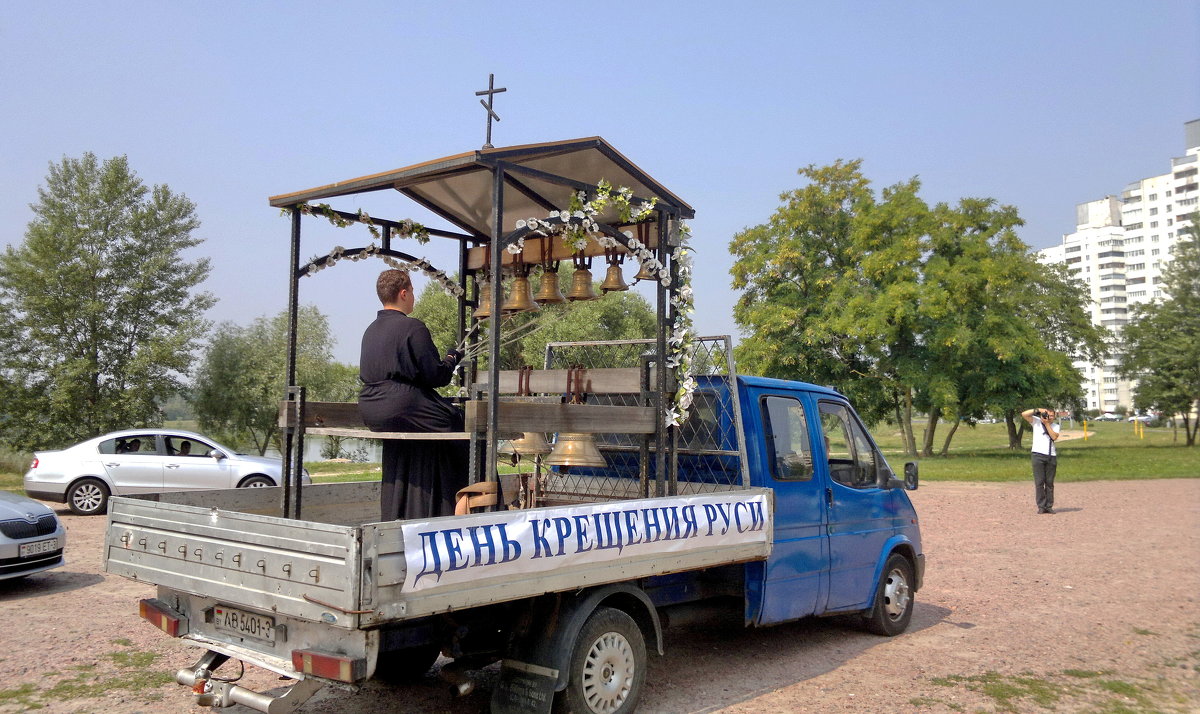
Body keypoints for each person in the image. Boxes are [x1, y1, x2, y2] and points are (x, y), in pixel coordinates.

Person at [358, 269, 467, 520]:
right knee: (457, 421)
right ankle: (459, 501)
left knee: (431, 428)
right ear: (404, 293)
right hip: (401, 403)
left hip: (370, 406)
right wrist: (451, 359)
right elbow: (435, 377)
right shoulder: (413, 327)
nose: (414, 297)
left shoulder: (370, 330)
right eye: (413, 292)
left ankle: (405, 504)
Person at [1021, 407, 1060, 514]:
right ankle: (1041, 506)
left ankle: (1049, 506)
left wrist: (1047, 424)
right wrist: (1038, 409)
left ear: (1054, 417)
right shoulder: (1036, 422)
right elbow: (1024, 414)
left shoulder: (1055, 426)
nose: (1049, 417)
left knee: (1049, 483)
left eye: (1052, 416)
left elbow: (1054, 437)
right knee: (1039, 482)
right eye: (1048, 415)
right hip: (1037, 455)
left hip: (1050, 455)